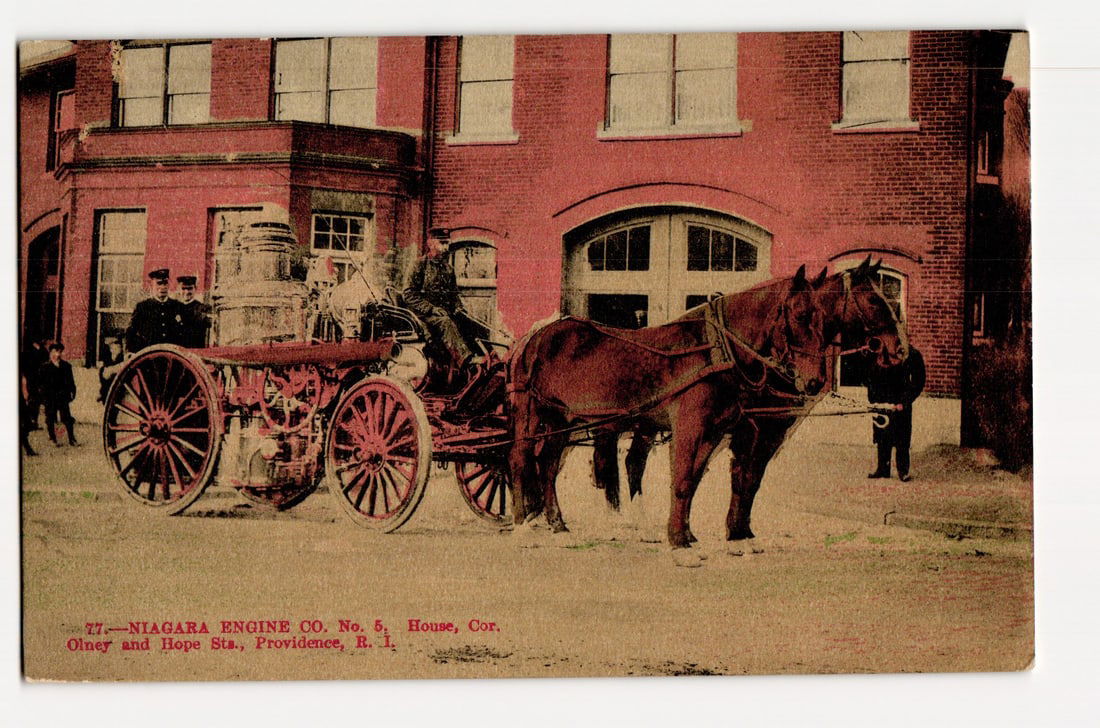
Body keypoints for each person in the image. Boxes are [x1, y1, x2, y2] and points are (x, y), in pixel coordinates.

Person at [403, 233, 475, 371]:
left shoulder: (448, 269)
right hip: (422, 315)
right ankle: (466, 361)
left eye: (447, 243)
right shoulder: (419, 265)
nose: (446, 247)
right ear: (430, 244)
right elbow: (408, 294)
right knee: (445, 322)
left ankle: (484, 358)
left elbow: (454, 295)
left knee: (467, 321)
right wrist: (431, 309)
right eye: (442, 243)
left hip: (443, 313)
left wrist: (459, 307)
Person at [867, 346, 926, 482]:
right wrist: (872, 400)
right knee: (881, 435)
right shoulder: (877, 349)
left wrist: (905, 402)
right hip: (880, 401)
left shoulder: (911, 353)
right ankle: (883, 468)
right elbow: (869, 375)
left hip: (900, 403)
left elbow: (919, 381)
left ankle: (903, 470)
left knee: (902, 438)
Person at [126, 268, 184, 352]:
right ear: (151, 285)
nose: (162, 287)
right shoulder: (142, 307)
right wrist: (131, 351)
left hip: (172, 356)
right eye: (159, 283)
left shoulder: (177, 306)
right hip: (149, 356)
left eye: (165, 283)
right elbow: (131, 332)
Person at [37, 342, 78, 447]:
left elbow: (71, 382)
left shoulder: (66, 366)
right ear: (50, 353)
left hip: (62, 397)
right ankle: (53, 438)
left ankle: (71, 438)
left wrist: (73, 392)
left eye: (60, 352)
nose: (58, 354)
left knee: (67, 418)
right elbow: (40, 385)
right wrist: (42, 400)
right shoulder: (44, 367)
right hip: (50, 397)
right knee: (50, 418)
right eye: (55, 351)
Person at [176, 275, 210, 348]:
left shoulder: (201, 308)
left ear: (195, 289)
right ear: (178, 289)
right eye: (183, 288)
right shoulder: (175, 307)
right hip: (178, 352)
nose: (187, 292)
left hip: (195, 350)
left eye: (190, 288)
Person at [97, 333, 126, 402]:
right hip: (111, 373)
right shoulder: (108, 355)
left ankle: (105, 395)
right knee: (103, 372)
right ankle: (103, 393)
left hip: (117, 375)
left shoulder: (120, 356)